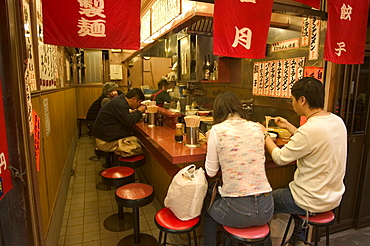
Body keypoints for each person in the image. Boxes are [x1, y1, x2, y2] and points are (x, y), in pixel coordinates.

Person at [261, 77, 347, 244]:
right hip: (333, 197)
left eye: (293, 99)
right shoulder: (337, 121)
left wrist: (265, 134)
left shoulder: (309, 130)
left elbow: (279, 158)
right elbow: (312, 141)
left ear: (302, 100)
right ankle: (298, 238)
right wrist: (289, 127)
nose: (292, 104)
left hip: (309, 200)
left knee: (264, 202)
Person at [203, 91, 274, 246]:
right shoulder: (257, 128)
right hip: (267, 208)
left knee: (207, 211)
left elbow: (211, 172)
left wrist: (210, 142)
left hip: (237, 211)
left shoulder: (217, 130)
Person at [92, 88, 146, 156]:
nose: (139, 106)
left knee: (134, 139)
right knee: (139, 144)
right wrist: (139, 111)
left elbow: (124, 116)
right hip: (105, 142)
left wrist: (133, 112)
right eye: (139, 103)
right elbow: (129, 122)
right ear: (134, 99)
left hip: (105, 137)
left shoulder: (120, 100)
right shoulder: (119, 104)